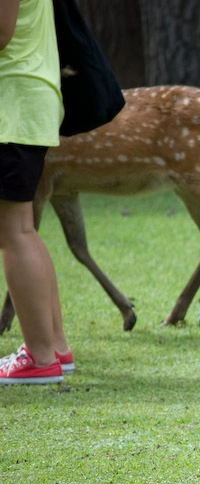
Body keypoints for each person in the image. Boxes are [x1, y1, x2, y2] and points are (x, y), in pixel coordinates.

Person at [0, 0, 74, 384]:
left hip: (11, 104)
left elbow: (1, 31)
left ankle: (40, 357)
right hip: (27, 100)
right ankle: (54, 348)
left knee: (13, 233)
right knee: (22, 229)